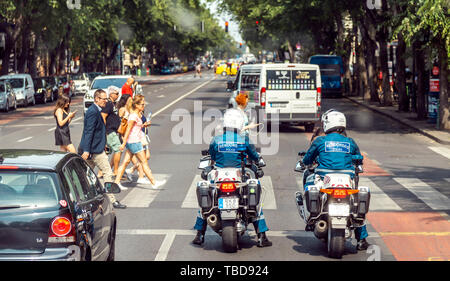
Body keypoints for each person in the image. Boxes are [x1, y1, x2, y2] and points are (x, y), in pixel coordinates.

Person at [192, 108, 272, 248]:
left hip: (218, 175)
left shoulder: (216, 139)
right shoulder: (244, 139)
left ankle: (200, 234)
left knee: (206, 202)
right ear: (240, 124)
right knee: (255, 204)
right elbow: (254, 156)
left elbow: (212, 155)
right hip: (238, 176)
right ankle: (262, 236)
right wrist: (259, 161)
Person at [302, 109, 369, 250]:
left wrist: (305, 162)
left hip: (324, 179)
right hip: (346, 180)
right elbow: (358, 159)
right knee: (355, 205)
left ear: (327, 124)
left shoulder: (320, 141)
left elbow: (307, 159)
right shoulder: (350, 141)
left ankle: (312, 217)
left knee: (309, 185)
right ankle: (362, 238)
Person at [78, 89, 127, 209]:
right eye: (104, 99)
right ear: (97, 99)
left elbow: (97, 132)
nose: (106, 101)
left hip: (95, 148)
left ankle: (81, 197)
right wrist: (86, 150)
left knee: (83, 175)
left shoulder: (95, 110)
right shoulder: (93, 112)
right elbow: (89, 132)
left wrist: (103, 143)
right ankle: (112, 200)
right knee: (107, 173)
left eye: (106, 98)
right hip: (93, 150)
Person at [114, 95, 166, 189]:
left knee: (125, 162)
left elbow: (135, 128)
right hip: (134, 142)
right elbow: (128, 130)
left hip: (132, 141)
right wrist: (123, 144)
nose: (143, 106)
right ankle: (154, 183)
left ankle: (117, 182)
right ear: (136, 105)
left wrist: (144, 125)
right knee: (144, 162)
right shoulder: (133, 116)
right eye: (142, 104)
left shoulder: (135, 114)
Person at [101, 86, 122, 177]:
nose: (118, 95)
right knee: (118, 149)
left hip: (112, 131)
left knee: (106, 153)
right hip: (110, 131)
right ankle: (115, 171)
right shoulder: (108, 104)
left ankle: (102, 171)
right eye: (116, 93)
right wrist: (105, 131)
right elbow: (103, 116)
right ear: (111, 94)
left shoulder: (113, 104)